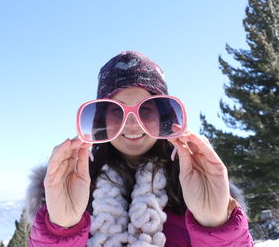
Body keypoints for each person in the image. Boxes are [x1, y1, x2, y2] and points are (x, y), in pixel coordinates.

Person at [24, 51, 254, 246]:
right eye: (116, 109)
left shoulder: (198, 187)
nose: (132, 123)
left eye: (146, 109)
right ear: (100, 120)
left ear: (164, 116)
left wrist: (216, 224)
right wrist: (62, 229)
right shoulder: (70, 189)